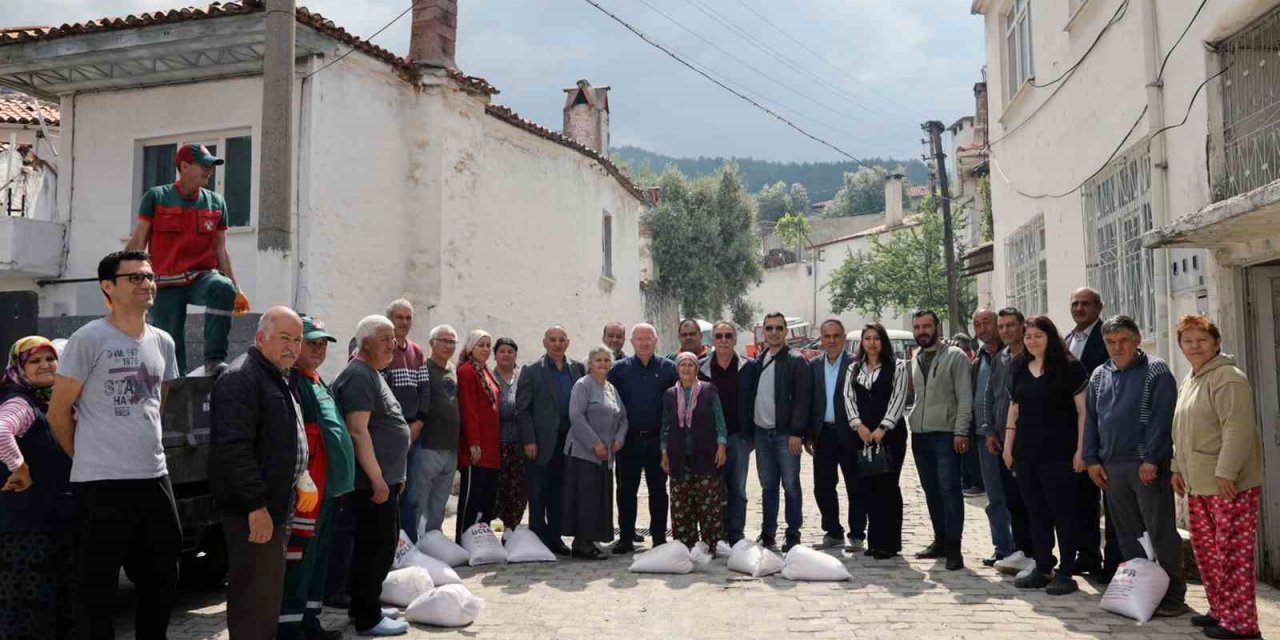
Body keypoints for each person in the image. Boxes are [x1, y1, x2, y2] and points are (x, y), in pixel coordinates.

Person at [49, 250, 183, 640]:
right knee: (97, 587)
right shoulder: (88, 339)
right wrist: (86, 456)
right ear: (108, 286)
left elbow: (158, 402)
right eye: (135, 278)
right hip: (102, 482)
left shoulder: (163, 341)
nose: (147, 284)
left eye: (150, 277)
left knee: (162, 575)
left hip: (155, 477)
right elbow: (58, 413)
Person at [209, 307, 317, 640]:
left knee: (266, 595)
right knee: (254, 598)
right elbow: (234, 449)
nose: (293, 347)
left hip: (274, 505)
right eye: (284, 338)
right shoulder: (242, 377)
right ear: (261, 337)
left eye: (297, 339)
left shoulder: (278, 375)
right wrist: (256, 507)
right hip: (254, 511)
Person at [1082, 315, 1187, 618]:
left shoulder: (1156, 372)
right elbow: (1091, 420)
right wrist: (1091, 459)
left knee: (1160, 530)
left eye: (1123, 341)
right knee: (1127, 533)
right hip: (1111, 467)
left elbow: (1161, 419)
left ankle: (1174, 595)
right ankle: (1142, 592)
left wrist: (1152, 459)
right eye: (1111, 342)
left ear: (1137, 340)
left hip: (1145, 466)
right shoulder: (1100, 375)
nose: (1117, 347)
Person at [1172, 314, 1263, 640]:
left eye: (1202, 340)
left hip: (1228, 484)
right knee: (1208, 554)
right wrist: (1176, 467)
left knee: (1232, 556)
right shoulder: (1192, 379)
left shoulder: (1228, 377)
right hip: (1198, 483)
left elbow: (1237, 428)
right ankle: (1221, 611)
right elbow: (1182, 428)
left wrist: (1227, 471)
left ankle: (1242, 625)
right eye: (1188, 341)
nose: (1194, 346)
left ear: (1216, 343)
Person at [125, 144, 246, 373]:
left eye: (211, 165)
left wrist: (237, 288)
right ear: (184, 166)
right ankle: (176, 389)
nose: (209, 170)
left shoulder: (217, 202)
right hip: (165, 282)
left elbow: (221, 249)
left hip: (200, 277)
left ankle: (214, 361)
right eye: (204, 165)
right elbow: (139, 240)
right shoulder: (157, 197)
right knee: (170, 345)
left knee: (223, 287)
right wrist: (124, 276)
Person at [331, 316, 411, 637]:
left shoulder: (372, 374)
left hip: (385, 480)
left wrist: (396, 473)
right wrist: (378, 478)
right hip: (370, 485)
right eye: (385, 339)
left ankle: (365, 605)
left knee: (381, 545)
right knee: (374, 549)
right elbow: (358, 431)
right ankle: (367, 618)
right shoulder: (359, 376)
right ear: (364, 343)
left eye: (393, 339)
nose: (392, 345)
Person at [278, 315, 355, 640]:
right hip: (307, 494)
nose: (319, 349)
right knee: (299, 561)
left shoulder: (316, 380)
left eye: (323, 344)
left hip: (328, 492)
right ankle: (290, 630)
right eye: (312, 343)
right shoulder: (292, 381)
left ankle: (311, 622)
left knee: (319, 559)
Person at [1002, 315, 1087, 596]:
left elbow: (1083, 412)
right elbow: (1014, 409)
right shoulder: (1018, 366)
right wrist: (1008, 445)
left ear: (1050, 336)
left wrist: (1081, 449)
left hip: (1060, 453)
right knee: (1035, 511)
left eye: (1038, 335)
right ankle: (1042, 566)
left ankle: (1065, 571)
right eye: (1028, 336)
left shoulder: (1069, 367)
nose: (1032, 341)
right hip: (1027, 452)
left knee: (1063, 513)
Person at [0, 337, 74, 640]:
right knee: (28, 608)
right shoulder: (20, 402)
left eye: (50, 359)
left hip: (51, 522)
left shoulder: (48, 399)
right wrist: (19, 468)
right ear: (20, 368)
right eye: (35, 361)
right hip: (27, 528)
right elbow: (1, 431)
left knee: (55, 605)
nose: (45, 365)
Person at [907, 309, 972, 570]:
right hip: (920, 435)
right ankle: (941, 541)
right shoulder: (916, 357)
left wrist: (961, 431)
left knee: (950, 490)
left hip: (946, 434)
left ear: (938, 327)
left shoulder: (955, 356)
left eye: (926, 326)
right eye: (917, 327)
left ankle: (954, 549)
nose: (922, 331)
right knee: (931, 491)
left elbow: (965, 395)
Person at [743, 311, 811, 551]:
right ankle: (768, 532)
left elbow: (803, 399)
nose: (773, 332)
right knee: (767, 486)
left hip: (786, 435)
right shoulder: (758, 360)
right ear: (763, 331)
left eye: (778, 328)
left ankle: (793, 533)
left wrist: (797, 433)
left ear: (785, 331)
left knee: (791, 485)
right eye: (769, 328)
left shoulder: (796, 360)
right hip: (762, 434)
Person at [1064, 287, 1119, 579]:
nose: (1080, 308)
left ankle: (1113, 564)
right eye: (1075, 304)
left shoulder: (1107, 337)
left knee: (1110, 500)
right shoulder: (1068, 339)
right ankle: (1087, 555)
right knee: (1081, 497)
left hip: (1104, 426)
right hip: (1073, 429)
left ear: (1099, 307)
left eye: (1086, 304)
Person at [608, 323, 677, 554]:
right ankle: (626, 537)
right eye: (639, 339)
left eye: (649, 338)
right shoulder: (618, 370)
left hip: (659, 441)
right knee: (626, 491)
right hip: (628, 441)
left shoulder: (669, 369)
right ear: (632, 342)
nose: (644, 342)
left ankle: (658, 537)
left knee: (659, 490)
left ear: (655, 342)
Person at [516, 326, 585, 555]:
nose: (557, 344)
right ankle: (537, 541)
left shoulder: (577, 368)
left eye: (561, 340)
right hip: (540, 443)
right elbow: (523, 410)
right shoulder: (532, 370)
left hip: (568, 443)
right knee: (537, 494)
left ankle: (555, 538)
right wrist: (529, 440)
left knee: (558, 493)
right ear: (544, 343)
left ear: (568, 342)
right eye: (552, 340)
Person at [843, 323, 908, 560]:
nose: (872, 343)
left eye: (876, 338)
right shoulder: (853, 369)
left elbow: (898, 398)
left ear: (883, 341)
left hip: (890, 435)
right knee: (867, 488)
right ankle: (874, 541)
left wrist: (883, 427)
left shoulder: (897, 367)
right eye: (867, 338)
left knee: (888, 487)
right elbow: (848, 399)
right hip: (861, 436)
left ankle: (889, 543)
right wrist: (858, 425)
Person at [563, 346, 628, 559]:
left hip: (606, 455)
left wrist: (619, 438)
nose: (602, 364)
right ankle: (581, 543)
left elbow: (623, 417)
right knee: (585, 498)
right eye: (598, 360)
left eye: (606, 360)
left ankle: (591, 539)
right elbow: (576, 416)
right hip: (583, 452)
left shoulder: (611, 388)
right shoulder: (583, 385)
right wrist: (595, 443)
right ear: (590, 364)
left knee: (599, 498)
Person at [806, 319, 863, 551]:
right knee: (823, 486)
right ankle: (833, 531)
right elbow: (810, 402)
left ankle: (858, 533)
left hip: (849, 433)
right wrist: (808, 435)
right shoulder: (814, 365)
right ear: (821, 339)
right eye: (827, 336)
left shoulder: (856, 364)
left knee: (855, 485)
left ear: (843, 338)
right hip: (823, 435)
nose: (831, 340)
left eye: (836, 336)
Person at [662, 351, 727, 552]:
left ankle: (711, 544)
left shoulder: (708, 390)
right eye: (682, 365)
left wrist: (722, 446)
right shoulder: (670, 395)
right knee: (682, 503)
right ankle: (685, 546)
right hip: (678, 455)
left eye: (690, 365)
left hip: (706, 454)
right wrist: (663, 452)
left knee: (708, 503)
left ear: (696, 369)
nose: (686, 369)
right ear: (677, 369)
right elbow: (665, 425)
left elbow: (719, 420)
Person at [987, 308, 1036, 576]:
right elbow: (991, 397)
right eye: (1002, 326)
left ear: (1022, 326)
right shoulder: (1000, 359)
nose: (1006, 331)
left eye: (1011, 326)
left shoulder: (1032, 357)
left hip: (1028, 439)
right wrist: (990, 431)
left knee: (1032, 500)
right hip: (1002, 439)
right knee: (1012, 500)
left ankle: (1037, 554)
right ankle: (1020, 549)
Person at [698, 320, 751, 546]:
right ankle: (716, 533)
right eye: (718, 336)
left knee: (737, 488)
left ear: (735, 339)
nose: (723, 340)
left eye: (728, 336)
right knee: (713, 488)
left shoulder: (749, 367)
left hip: (739, 436)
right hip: (710, 440)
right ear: (712, 340)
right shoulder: (701, 368)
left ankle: (736, 533)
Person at [384, 299, 431, 543]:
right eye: (398, 317)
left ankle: (410, 545)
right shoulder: (381, 349)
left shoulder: (416, 351)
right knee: (390, 489)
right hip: (389, 433)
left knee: (412, 494)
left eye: (407, 318)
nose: (403, 322)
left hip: (414, 431)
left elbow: (425, 390)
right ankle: (389, 544)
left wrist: (418, 424)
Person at [970, 309, 1011, 566]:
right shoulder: (979, 357)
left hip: (1011, 436)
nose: (982, 328)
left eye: (987, 322)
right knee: (994, 495)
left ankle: (1023, 548)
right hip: (984, 438)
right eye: (977, 324)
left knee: (1016, 496)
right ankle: (1002, 548)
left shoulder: (1012, 355)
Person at [455, 330, 502, 542]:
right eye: (480, 345)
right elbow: (469, 408)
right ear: (470, 347)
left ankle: (480, 540)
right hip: (477, 446)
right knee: (472, 495)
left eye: (487, 345)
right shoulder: (467, 371)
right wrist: (473, 442)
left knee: (487, 495)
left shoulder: (485, 371)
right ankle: (464, 537)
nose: (485, 349)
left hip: (491, 445)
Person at [417, 325, 459, 536]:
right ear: (432, 343)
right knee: (421, 499)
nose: (448, 346)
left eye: (452, 342)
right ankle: (416, 539)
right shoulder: (423, 368)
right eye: (443, 340)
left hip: (451, 447)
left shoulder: (454, 370)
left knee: (440, 501)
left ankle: (434, 538)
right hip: (429, 445)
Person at [492, 337, 527, 532]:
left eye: (510, 351)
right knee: (497, 489)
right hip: (496, 444)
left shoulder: (522, 377)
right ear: (495, 355)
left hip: (520, 443)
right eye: (502, 351)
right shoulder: (489, 377)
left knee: (518, 490)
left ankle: (511, 530)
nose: (506, 354)